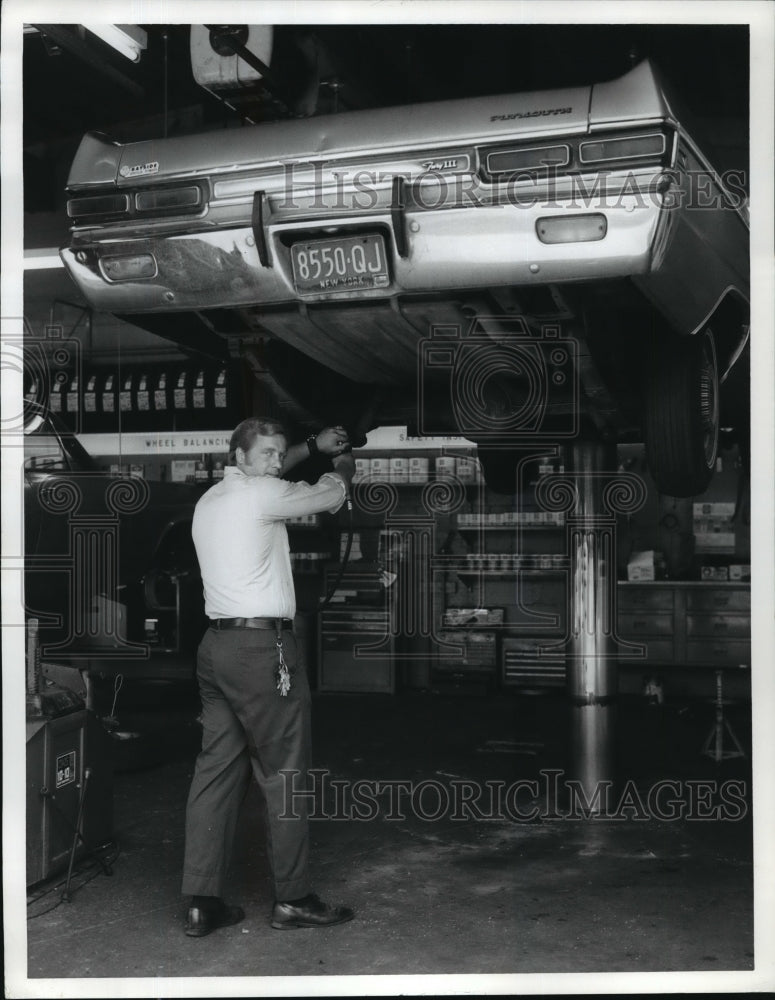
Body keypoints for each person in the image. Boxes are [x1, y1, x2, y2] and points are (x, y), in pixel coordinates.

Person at [182, 418, 355, 937]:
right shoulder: (263, 495)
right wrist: (341, 466)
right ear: (237, 457)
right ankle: (294, 898)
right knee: (285, 774)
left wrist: (310, 446)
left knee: (215, 772)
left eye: (280, 454)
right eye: (265, 455)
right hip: (263, 650)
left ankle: (201, 902)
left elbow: (269, 473)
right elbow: (327, 497)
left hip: (217, 648)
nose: (275, 462)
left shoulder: (211, 500)